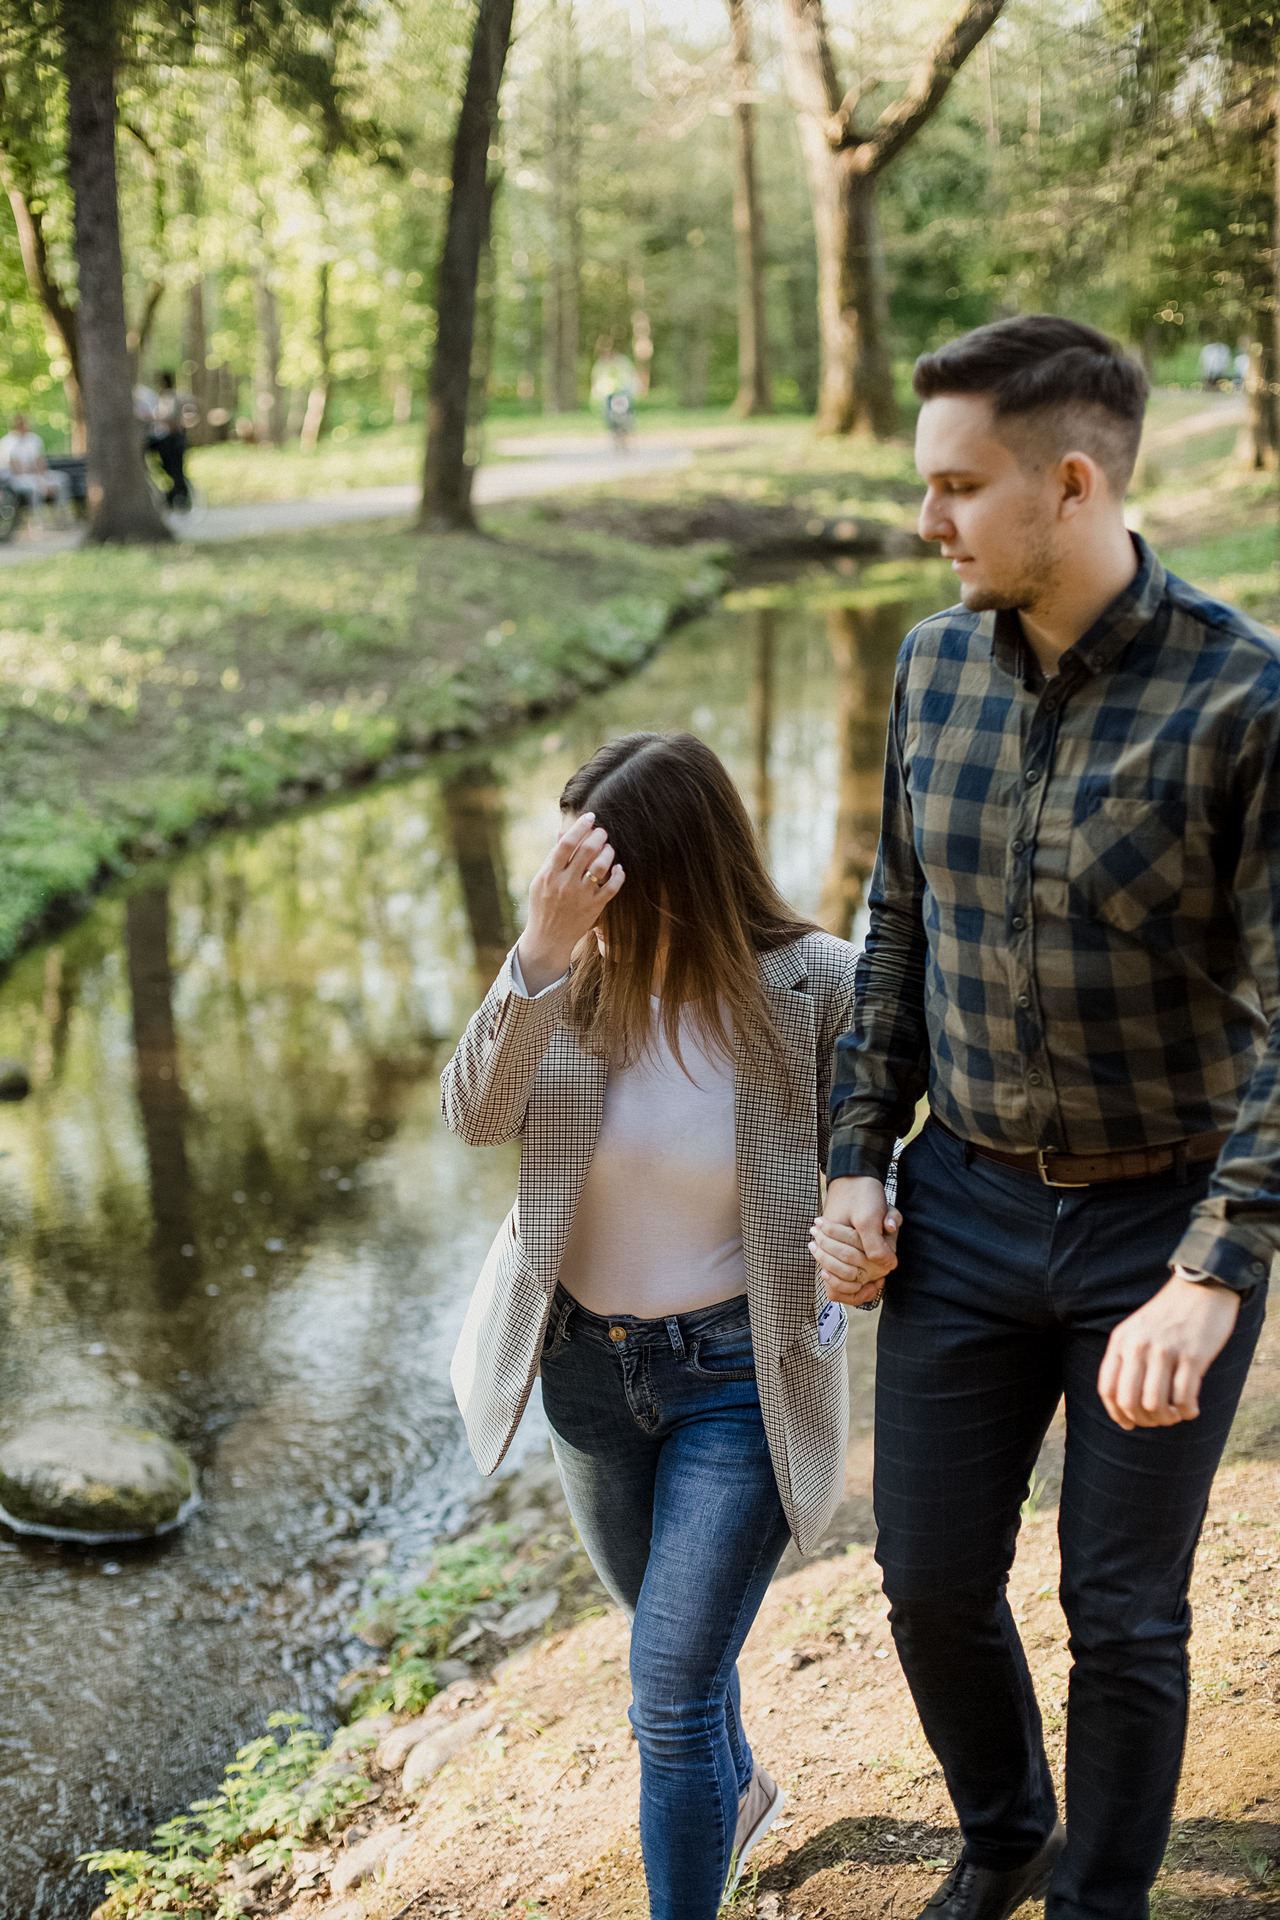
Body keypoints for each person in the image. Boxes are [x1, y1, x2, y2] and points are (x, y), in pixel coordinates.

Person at [811, 315, 1274, 1920]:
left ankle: (1099, 1904)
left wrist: (1213, 1273)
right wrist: (856, 1161)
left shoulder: (1245, 701)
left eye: (955, 488)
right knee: (930, 1578)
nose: (926, 523)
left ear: (1070, 483)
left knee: (1123, 1610)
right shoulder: (932, 665)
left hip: (1163, 1224)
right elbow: (896, 929)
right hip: (966, 1210)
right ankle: (1005, 1835)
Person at [443, 733, 861, 1920]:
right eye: (560, 867)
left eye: (595, 871)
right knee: (670, 1646)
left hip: (735, 1372)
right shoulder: (564, 979)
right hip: (583, 1373)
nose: (571, 891)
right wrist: (536, 951)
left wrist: (863, 1217)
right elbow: (473, 1117)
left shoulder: (815, 983)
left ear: (673, 864)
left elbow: (887, 1132)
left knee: (668, 1687)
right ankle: (732, 1796)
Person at [0, 412, 69, 516]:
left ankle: (62, 517)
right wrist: (40, 480)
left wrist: (43, 478)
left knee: (62, 479)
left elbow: (40, 462)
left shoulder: (34, 439)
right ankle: (38, 520)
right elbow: (17, 469)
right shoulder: (8, 442)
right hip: (15, 478)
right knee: (35, 487)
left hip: (36, 474)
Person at [147, 372, 193, 509]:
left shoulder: (170, 397)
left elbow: (171, 418)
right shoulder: (169, 397)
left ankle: (181, 498)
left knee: (176, 470)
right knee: (170, 468)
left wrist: (155, 418)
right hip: (170, 437)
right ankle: (172, 497)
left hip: (174, 438)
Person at [590, 340, 638, 443]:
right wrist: (596, 391)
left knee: (627, 413)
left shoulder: (622, 361)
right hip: (608, 393)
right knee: (608, 414)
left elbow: (631, 373)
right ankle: (614, 432)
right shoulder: (601, 363)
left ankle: (627, 430)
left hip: (623, 392)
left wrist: (635, 386)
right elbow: (596, 377)